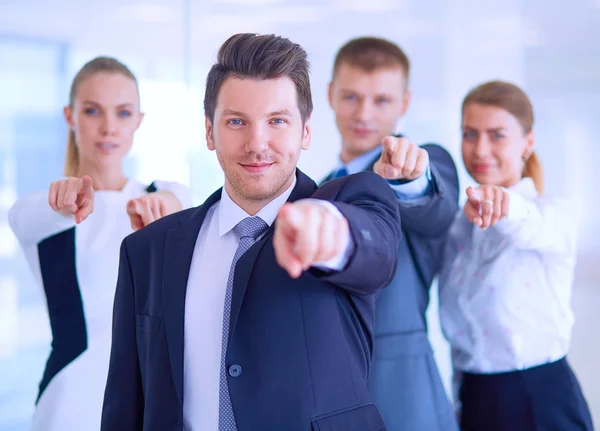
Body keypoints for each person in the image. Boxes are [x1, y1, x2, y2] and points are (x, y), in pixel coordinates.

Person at [100, 33, 402, 431]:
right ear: (210, 132)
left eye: (277, 121)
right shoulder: (148, 251)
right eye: (237, 122)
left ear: (305, 132)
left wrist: (332, 235)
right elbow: (125, 403)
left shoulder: (347, 204)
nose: (257, 143)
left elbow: (374, 252)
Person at [8, 56, 192, 431]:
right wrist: (64, 203)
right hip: (70, 403)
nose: (108, 127)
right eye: (92, 111)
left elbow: (181, 204)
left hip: (153, 402)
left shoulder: (169, 197)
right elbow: (31, 216)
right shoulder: (38, 210)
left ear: (139, 121)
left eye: (123, 113)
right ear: (70, 116)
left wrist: (163, 209)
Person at [439, 80, 594, 431]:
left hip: (538, 400)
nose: (480, 150)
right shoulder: (458, 227)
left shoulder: (551, 214)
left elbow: (531, 225)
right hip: (474, 398)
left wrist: (504, 205)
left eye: (497, 136)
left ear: (528, 143)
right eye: (470, 134)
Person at [323, 37, 459, 431]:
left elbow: (436, 211)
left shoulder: (420, 166)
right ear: (330, 95)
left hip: (405, 401)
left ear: (404, 103)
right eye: (351, 96)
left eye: (382, 100)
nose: (364, 113)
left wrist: (410, 179)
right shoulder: (314, 190)